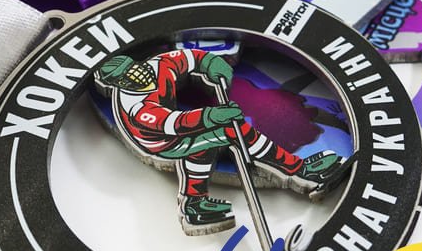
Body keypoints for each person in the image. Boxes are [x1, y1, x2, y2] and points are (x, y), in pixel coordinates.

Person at [95, 48, 345, 235]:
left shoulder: (160, 64)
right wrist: (209, 115)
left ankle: (195, 205)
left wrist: (211, 62)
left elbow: (191, 57)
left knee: (220, 137)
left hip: (178, 125)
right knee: (221, 135)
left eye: (132, 67)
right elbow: (172, 123)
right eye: (125, 76)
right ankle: (299, 172)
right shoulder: (135, 106)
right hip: (161, 142)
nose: (136, 74)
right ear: (118, 84)